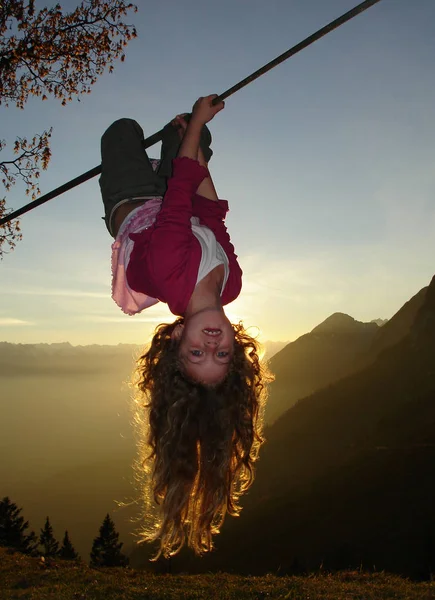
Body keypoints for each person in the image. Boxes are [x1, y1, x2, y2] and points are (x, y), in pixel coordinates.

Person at [99, 95, 272, 558]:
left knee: (122, 131)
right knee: (196, 140)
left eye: (197, 353)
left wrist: (192, 129)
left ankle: (167, 147)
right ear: (238, 347)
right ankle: (181, 143)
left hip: (134, 205)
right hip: (178, 207)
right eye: (223, 355)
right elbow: (212, 217)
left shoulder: (172, 272)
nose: (212, 344)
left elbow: (178, 202)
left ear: (176, 338)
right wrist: (192, 144)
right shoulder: (231, 285)